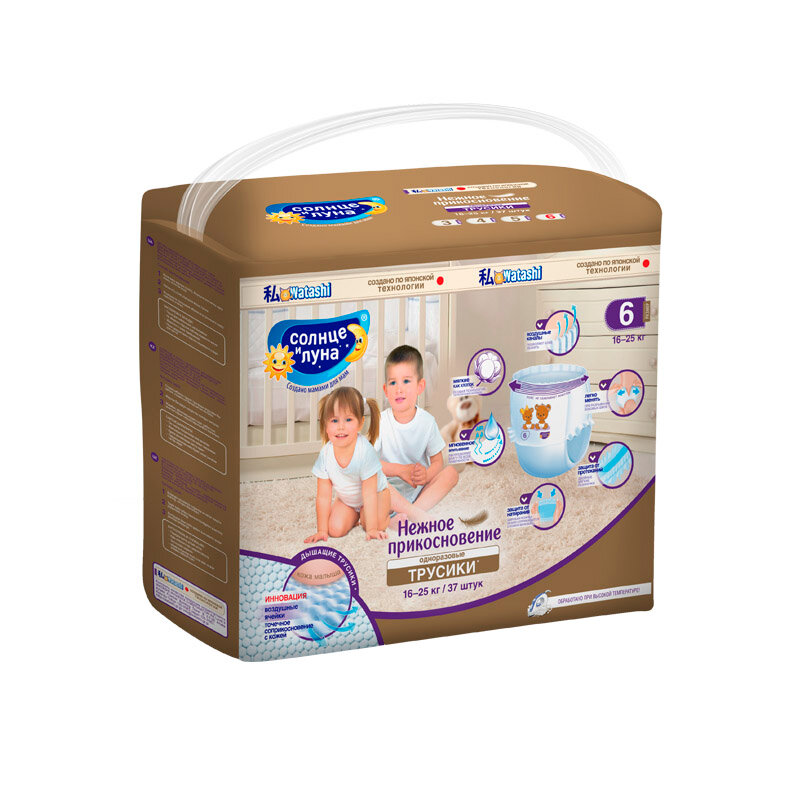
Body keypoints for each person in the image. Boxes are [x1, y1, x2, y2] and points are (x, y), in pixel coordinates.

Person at [376, 345, 458, 522]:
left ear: (420, 386)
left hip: (418, 489)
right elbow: (370, 464)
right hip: (389, 491)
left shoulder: (427, 422)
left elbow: (437, 462)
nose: (399, 389)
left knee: (451, 472)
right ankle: (409, 514)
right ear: (386, 390)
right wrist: (400, 470)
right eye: (393, 383)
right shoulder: (380, 421)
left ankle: (410, 513)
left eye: (406, 381)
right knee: (369, 481)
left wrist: (426, 475)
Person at [304, 386, 390, 543]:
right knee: (334, 530)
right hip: (348, 500)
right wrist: (322, 530)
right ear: (325, 424)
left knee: (373, 523)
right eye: (334, 420)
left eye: (348, 419)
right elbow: (323, 496)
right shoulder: (326, 454)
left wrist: (371, 529)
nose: (341, 427)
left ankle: (389, 515)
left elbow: (369, 493)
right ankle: (356, 515)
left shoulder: (365, 451)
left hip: (376, 494)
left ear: (360, 423)